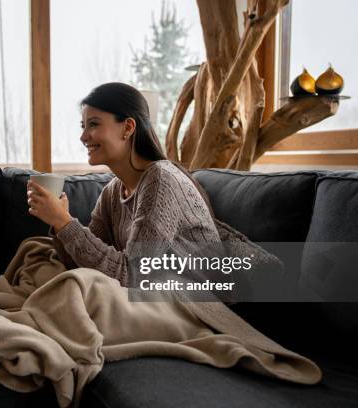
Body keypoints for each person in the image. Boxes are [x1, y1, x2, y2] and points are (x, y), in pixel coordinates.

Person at [26, 82, 221, 287]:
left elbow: (134, 276)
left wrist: (64, 221)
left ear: (128, 127)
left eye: (93, 124)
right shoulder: (112, 192)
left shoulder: (161, 180)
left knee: (80, 292)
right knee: (39, 260)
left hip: (195, 301)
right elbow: (84, 265)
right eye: (83, 126)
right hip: (149, 294)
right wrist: (59, 225)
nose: (83, 137)